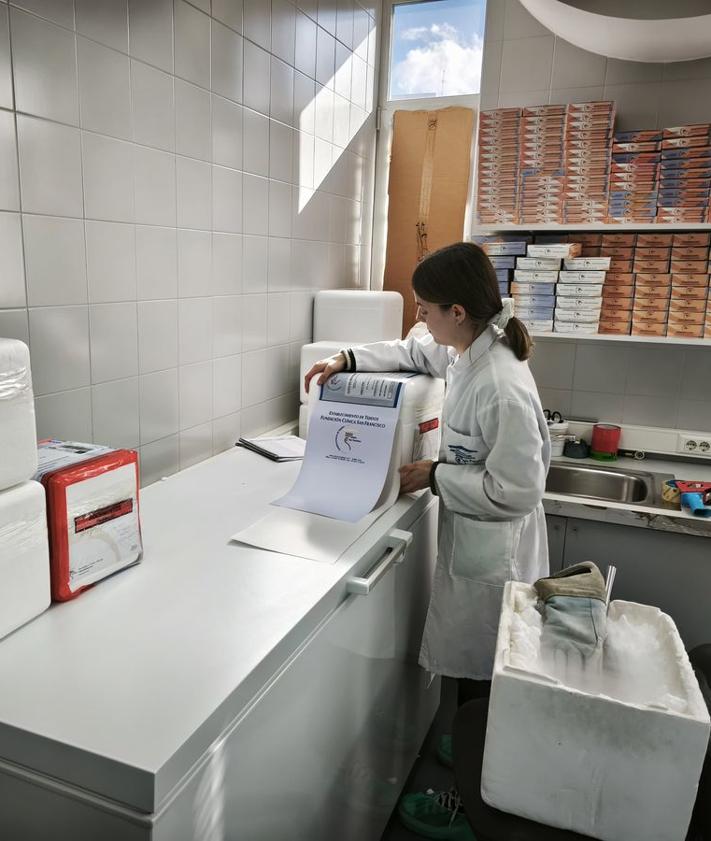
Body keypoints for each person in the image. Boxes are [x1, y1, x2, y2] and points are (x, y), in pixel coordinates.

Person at [304, 241, 550, 839]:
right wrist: (345, 358)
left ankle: (474, 804)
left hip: (496, 549)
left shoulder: (501, 382)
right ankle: (472, 753)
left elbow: (518, 489)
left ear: (457, 312)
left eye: (425, 308)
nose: (420, 318)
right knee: (476, 676)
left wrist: (437, 475)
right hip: (474, 542)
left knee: (488, 676)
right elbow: (412, 351)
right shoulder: (468, 351)